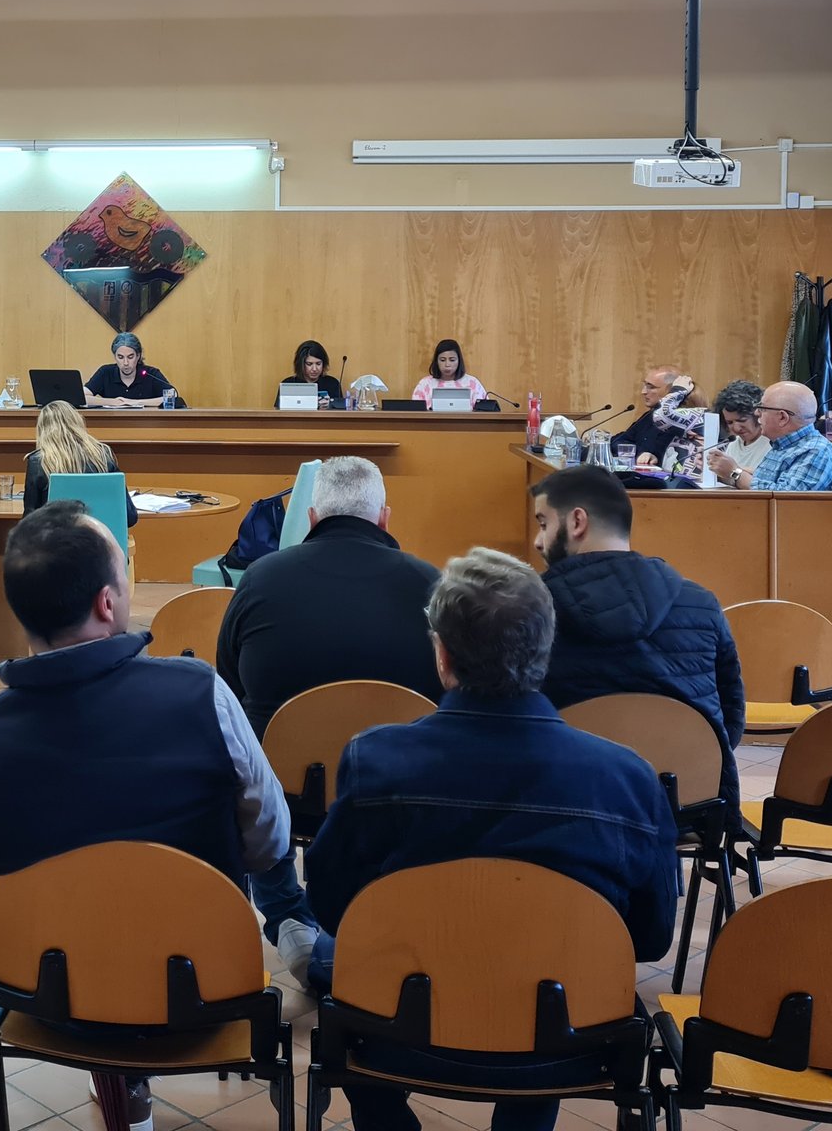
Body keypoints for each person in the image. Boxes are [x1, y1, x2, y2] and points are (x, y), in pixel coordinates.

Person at [0, 501, 290, 1131]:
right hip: (202, 992)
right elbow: (272, 842)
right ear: (106, 602)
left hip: (51, 1003)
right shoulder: (202, 694)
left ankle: (122, 1089)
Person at [304, 547, 679, 1131]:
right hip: (564, 1042)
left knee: (334, 961)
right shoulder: (627, 778)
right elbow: (650, 937)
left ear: (442, 654)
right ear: (545, 649)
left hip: (397, 1033)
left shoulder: (376, 760)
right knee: (554, 965)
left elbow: (331, 907)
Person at [216, 456, 443, 979]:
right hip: (393, 791)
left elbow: (229, 686)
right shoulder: (430, 584)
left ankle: (287, 916)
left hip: (285, 792)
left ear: (312, 518)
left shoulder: (261, 578)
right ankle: (382, 911)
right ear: (384, 518)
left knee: (242, 754)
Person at [531, 465, 744, 804]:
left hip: (566, 807)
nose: (538, 541)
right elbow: (730, 717)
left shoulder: (528, 609)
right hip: (687, 806)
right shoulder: (701, 602)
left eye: (544, 524)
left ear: (577, 522)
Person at [710, 382, 832, 492]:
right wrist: (721, 470)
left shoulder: (816, 450)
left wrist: (735, 472)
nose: (757, 413)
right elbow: (764, 482)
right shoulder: (781, 445)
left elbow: (785, 498)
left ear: (782, 417)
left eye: (762, 408)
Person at [23, 400, 136, 526]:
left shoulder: (38, 462)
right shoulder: (104, 455)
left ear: (42, 430)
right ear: (78, 422)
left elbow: (29, 522)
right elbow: (130, 517)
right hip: (100, 536)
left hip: (56, 537)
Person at [613, 367, 702, 465]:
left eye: (651, 387)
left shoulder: (686, 421)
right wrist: (639, 454)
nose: (643, 392)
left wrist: (653, 458)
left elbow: (676, 460)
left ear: (671, 391)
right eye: (645, 385)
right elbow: (618, 441)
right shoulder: (649, 416)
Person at [85, 332, 177, 409]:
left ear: (138, 356)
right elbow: (82, 397)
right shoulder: (105, 372)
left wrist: (134, 402)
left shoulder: (150, 373)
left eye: (130, 357)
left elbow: (173, 395)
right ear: (115, 356)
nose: (125, 363)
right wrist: (114, 402)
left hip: (146, 423)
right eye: (120, 357)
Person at [708, 378, 771, 478]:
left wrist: (732, 469)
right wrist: (711, 467)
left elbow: (765, 480)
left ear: (758, 414)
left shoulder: (772, 444)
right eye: (729, 422)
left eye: (742, 420)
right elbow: (731, 480)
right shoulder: (734, 444)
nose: (736, 428)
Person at [410, 338, 486, 407]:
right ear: (436, 361)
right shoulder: (425, 384)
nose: (447, 364)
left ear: (459, 361)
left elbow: (485, 412)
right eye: (442, 360)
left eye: (452, 360)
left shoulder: (472, 383)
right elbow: (415, 412)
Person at [281, 340, 343, 408]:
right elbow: (278, 411)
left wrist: (330, 405)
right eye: (309, 364)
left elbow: (341, 410)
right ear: (300, 364)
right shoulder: (288, 384)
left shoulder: (333, 383)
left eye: (318, 364)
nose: (314, 369)